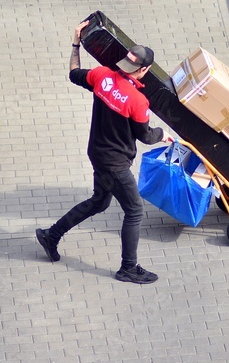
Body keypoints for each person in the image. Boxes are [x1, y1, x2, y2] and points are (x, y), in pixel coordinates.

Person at [36, 19, 172, 284]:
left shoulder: (102, 76)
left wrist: (76, 43)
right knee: (134, 211)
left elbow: (73, 73)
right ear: (143, 70)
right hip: (115, 163)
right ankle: (128, 268)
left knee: (99, 201)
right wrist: (162, 135)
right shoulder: (138, 100)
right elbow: (144, 135)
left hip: (97, 152)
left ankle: (51, 235)